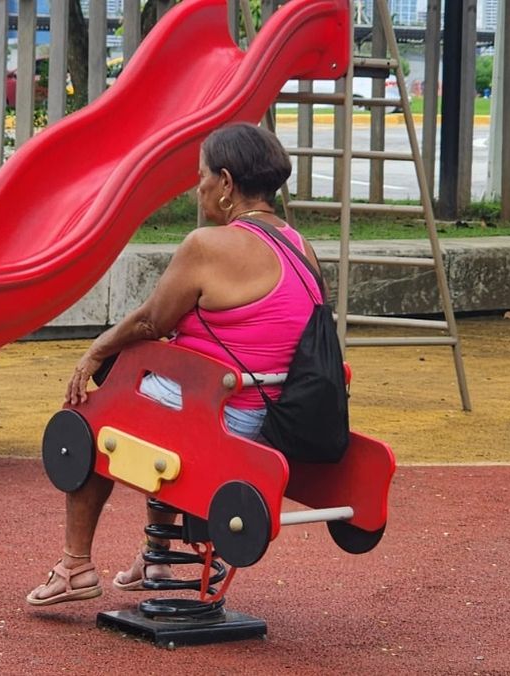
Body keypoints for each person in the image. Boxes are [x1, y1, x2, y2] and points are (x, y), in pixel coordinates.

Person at [26, 122, 325, 606]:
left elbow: (151, 321)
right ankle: (157, 555)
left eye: (202, 175)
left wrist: (97, 349)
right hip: (268, 413)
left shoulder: (209, 245)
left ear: (226, 183)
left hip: (218, 414)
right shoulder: (299, 245)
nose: (197, 186)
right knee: (160, 387)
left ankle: (75, 565)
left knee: (90, 418)